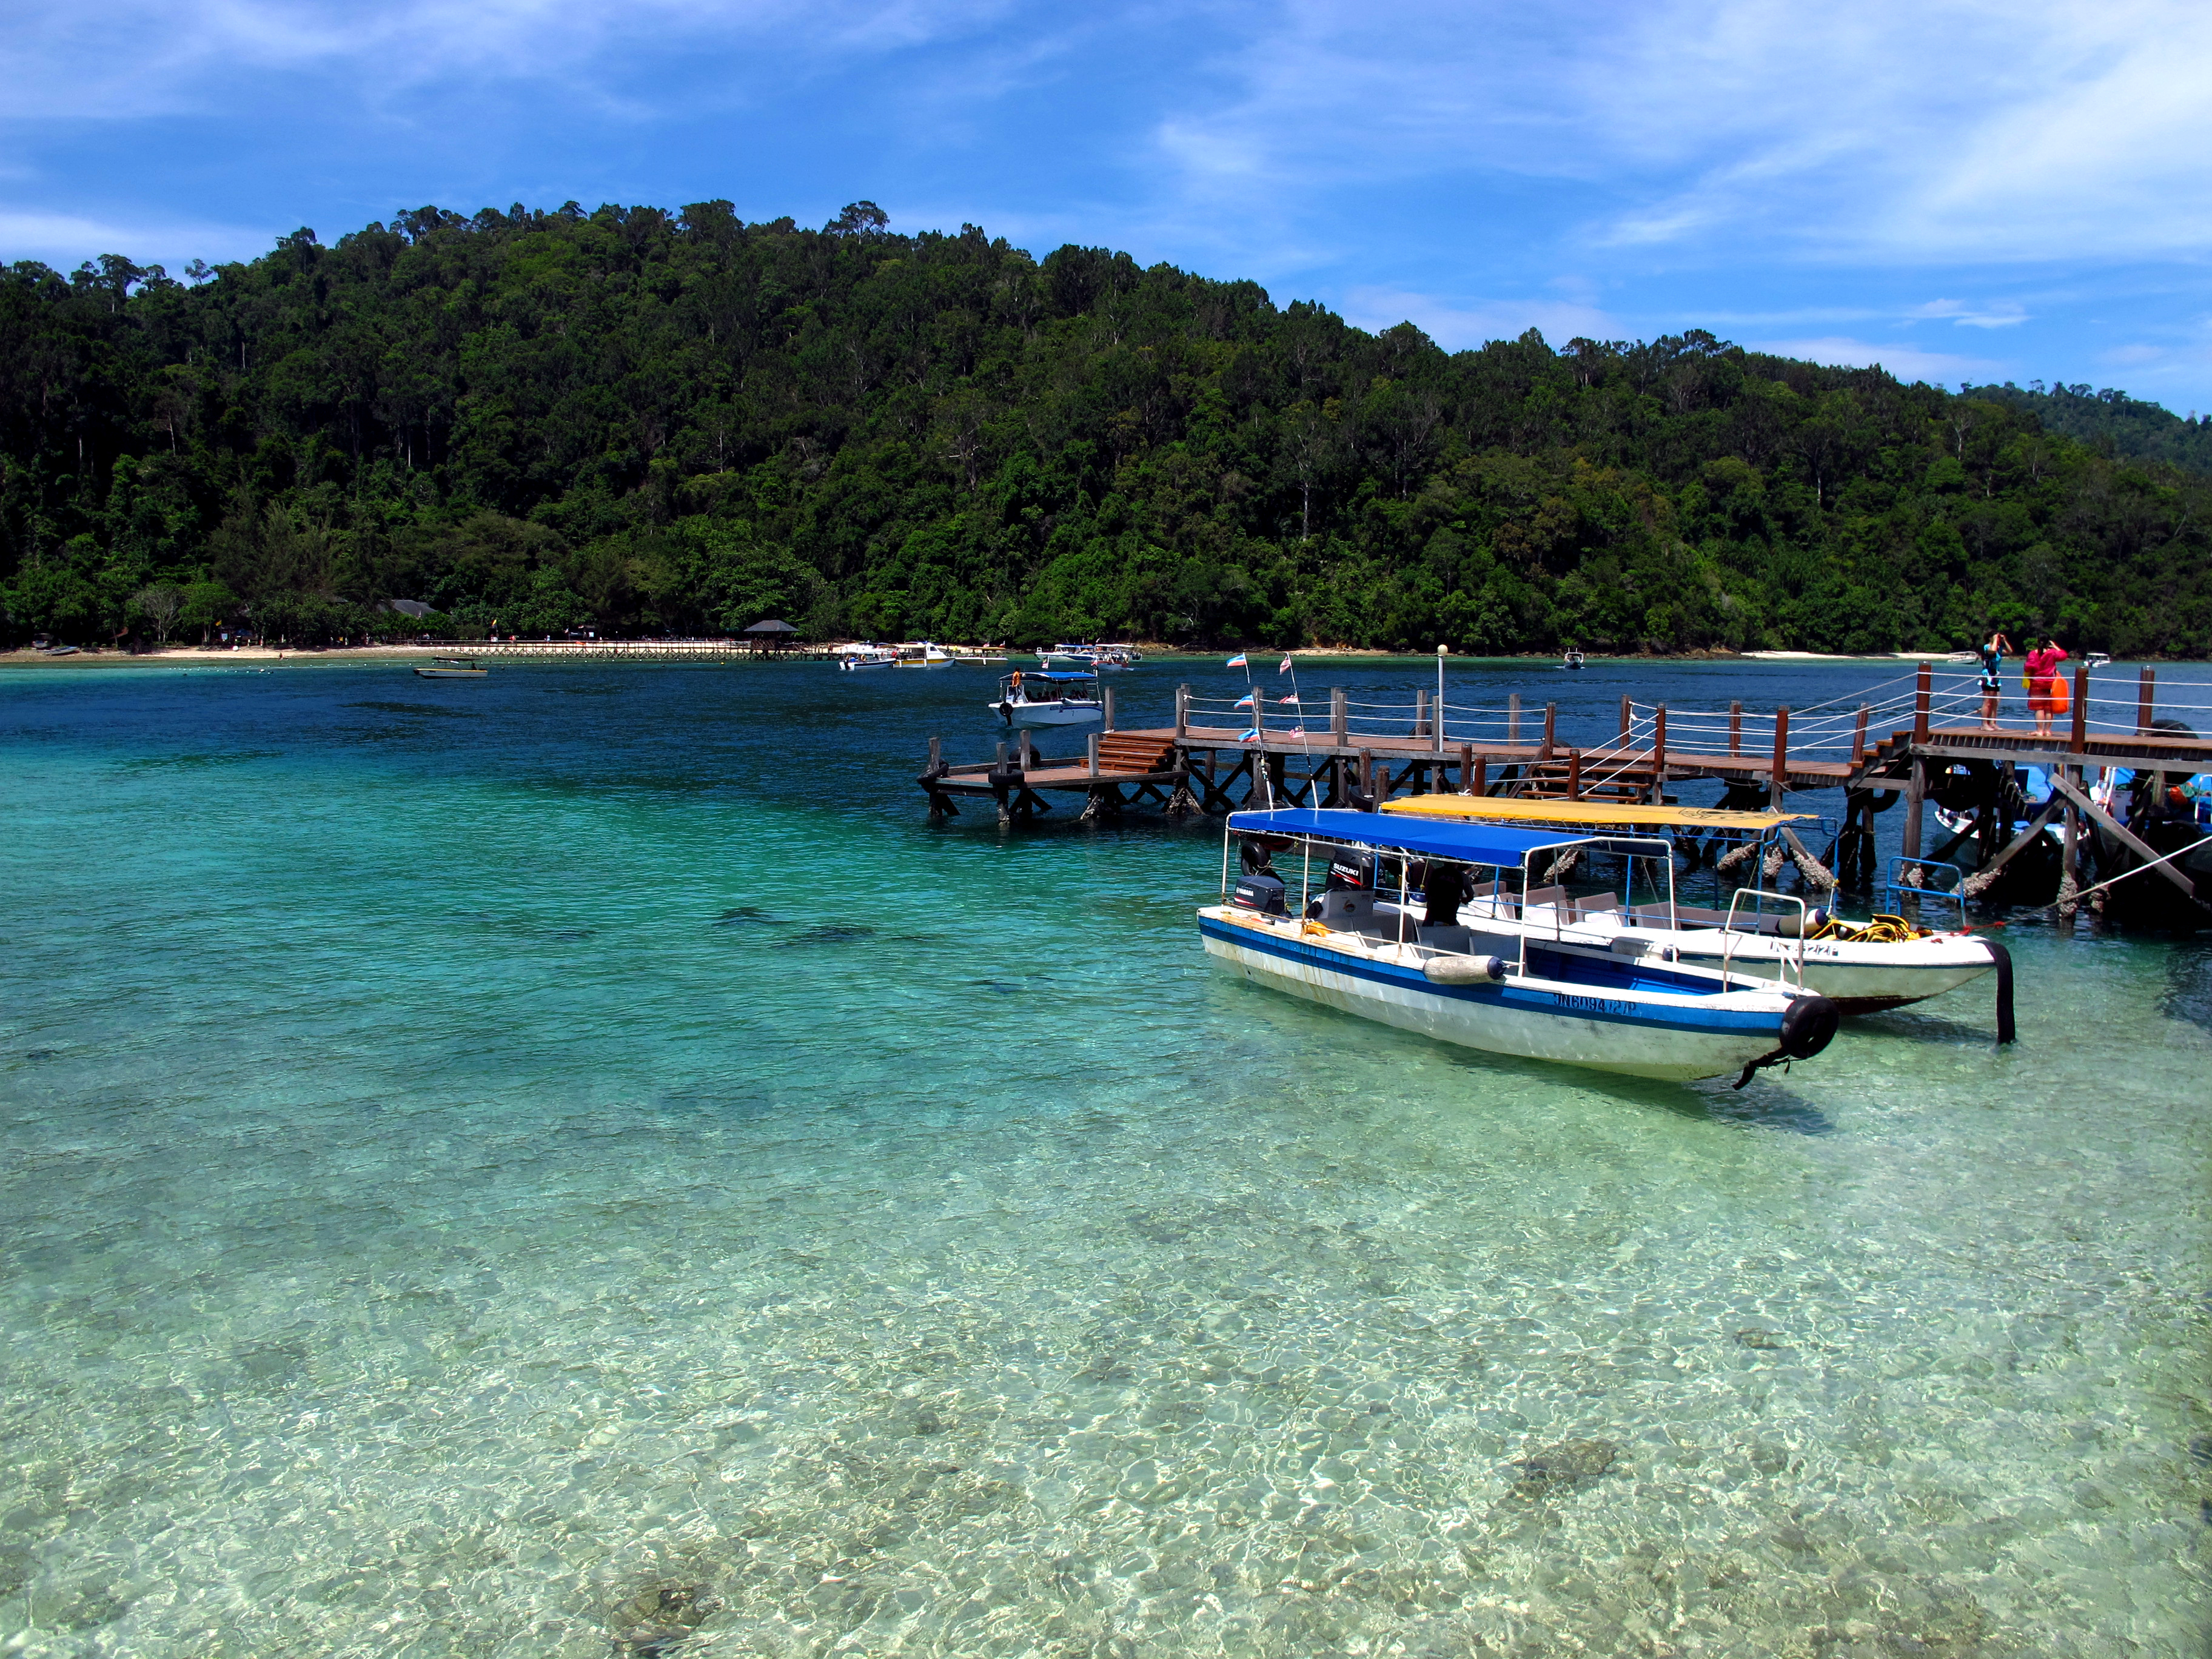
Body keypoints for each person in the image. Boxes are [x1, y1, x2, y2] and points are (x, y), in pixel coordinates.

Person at [2024, 637, 2068, 739]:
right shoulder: (2052, 653)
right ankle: (2047, 731)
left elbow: (2028, 667)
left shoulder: (2033, 654)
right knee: (2049, 708)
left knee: (2039, 708)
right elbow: (2064, 655)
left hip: (2037, 682)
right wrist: (2055, 647)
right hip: (2050, 682)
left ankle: (2040, 731)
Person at [1977, 631, 2011, 732]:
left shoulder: (1999, 648)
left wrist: (2004, 641)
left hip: (1996, 675)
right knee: (1988, 701)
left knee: (1995, 701)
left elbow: (2009, 651)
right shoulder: (1987, 647)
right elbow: (1992, 650)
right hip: (1988, 675)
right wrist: (1995, 639)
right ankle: (1984, 724)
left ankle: (1993, 722)